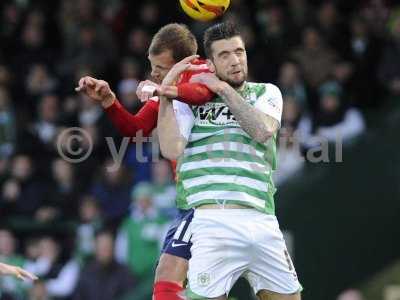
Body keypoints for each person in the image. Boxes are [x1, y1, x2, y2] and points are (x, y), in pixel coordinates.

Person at [158, 22, 302, 299]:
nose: (235, 60)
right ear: (210, 64)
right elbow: (171, 148)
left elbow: (262, 130)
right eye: (224, 55)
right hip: (213, 222)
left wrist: (222, 89)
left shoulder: (266, 93)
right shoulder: (192, 103)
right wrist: (167, 93)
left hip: (263, 220)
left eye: (239, 51)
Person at [76, 23, 213, 300]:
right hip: (190, 201)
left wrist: (165, 89)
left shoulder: (205, 74)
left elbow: (202, 94)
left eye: (160, 67)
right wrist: (109, 100)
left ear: (181, 63)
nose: (153, 73)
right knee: (184, 284)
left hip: (214, 197)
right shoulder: (169, 88)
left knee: (181, 279)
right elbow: (136, 130)